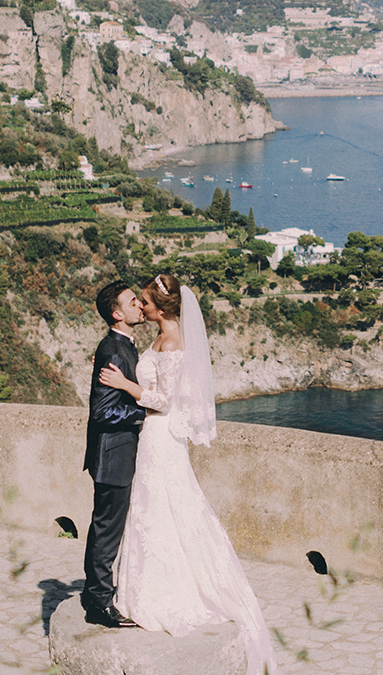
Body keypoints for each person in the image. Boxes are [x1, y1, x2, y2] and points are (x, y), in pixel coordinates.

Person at [97, 273, 279, 673]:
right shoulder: (161, 337)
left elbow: (164, 399)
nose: (140, 307)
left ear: (161, 310)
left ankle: (171, 593)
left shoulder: (175, 341)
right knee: (150, 510)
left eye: (144, 301)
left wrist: (125, 384)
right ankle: (143, 589)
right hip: (150, 436)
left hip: (161, 436)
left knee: (166, 506)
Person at [81, 279, 146, 628]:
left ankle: (93, 593)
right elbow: (102, 412)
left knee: (104, 526)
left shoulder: (121, 345)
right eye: (133, 301)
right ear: (117, 313)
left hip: (115, 452)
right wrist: (144, 414)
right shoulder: (115, 350)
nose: (140, 304)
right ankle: (100, 604)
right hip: (113, 454)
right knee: (108, 530)